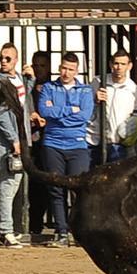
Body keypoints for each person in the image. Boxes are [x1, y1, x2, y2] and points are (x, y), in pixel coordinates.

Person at [38, 52, 94, 248]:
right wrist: (72, 110)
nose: (66, 72)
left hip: (77, 145)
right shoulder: (49, 87)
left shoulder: (85, 91)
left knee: (78, 190)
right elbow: (44, 111)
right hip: (53, 144)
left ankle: (78, 232)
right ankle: (61, 232)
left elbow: (85, 115)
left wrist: (58, 112)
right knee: (56, 189)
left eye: (70, 69)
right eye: (63, 68)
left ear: (77, 70)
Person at [0, 42, 35, 248]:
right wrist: (14, 139)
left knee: (13, 183)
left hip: (19, 138)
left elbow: (22, 97)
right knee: (8, 184)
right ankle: (6, 230)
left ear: (16, 60)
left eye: (7, 58)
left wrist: (30, 78)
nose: (3, 61)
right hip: (6, 141)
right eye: (1, 58)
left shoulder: (17, 79)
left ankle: (0, 225)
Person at [86, 49, 137, 164]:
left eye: (123, 64)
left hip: (119, 143)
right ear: (111, 64)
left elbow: (135, 114)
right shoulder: (98, 82)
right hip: (95, 140)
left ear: (129, 66)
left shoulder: (133, 89)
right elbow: (85, 107)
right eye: (116, 63)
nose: (119, 67)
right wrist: (95, 100)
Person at [28, 50, 51, 236]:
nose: (39, 70)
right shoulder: (27, 85)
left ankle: (56, 223)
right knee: (32, 185)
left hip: (51, 140)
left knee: (49, 184)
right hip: (31, 140)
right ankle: (33, 225)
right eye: (36, 65)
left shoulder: (54, 87)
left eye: (42, 66)